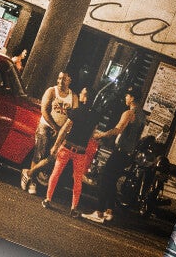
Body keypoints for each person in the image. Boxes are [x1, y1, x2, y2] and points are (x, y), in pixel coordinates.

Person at [82, 89, 146, 223]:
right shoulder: (142, 116)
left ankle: (99, 212)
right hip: (129, 153)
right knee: (111, 181)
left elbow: (118, 129)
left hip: (120, 151)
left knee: (104, 178)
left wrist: (101, 135)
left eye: (127, 95)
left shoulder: (129, 113)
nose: (125, 97)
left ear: (132, 98)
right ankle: (109, 211)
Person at [39, 86, 100, 218]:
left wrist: (55, 145)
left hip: (67, 147)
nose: (79, 95)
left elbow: (64, 129)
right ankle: (74, 208)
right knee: (77, 180)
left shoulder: (76, 111)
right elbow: (92, 134)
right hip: (81, 152)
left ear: (85, 96)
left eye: (82, 93)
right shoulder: (96, 116)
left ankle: (48, 199)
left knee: (56, 174)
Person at [21, 71, 76, 195]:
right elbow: (44, 110)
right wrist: (54, 127)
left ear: (70, 81)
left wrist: (63, 130)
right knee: (39, 154)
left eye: (64, 79)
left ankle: (29, 174)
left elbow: (75, 114)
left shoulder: (73, 96)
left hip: (60, 131)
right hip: (46, 127)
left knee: (51, 157)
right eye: (59, 78)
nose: (61, 81)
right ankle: (32, 181)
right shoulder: (51, 91)